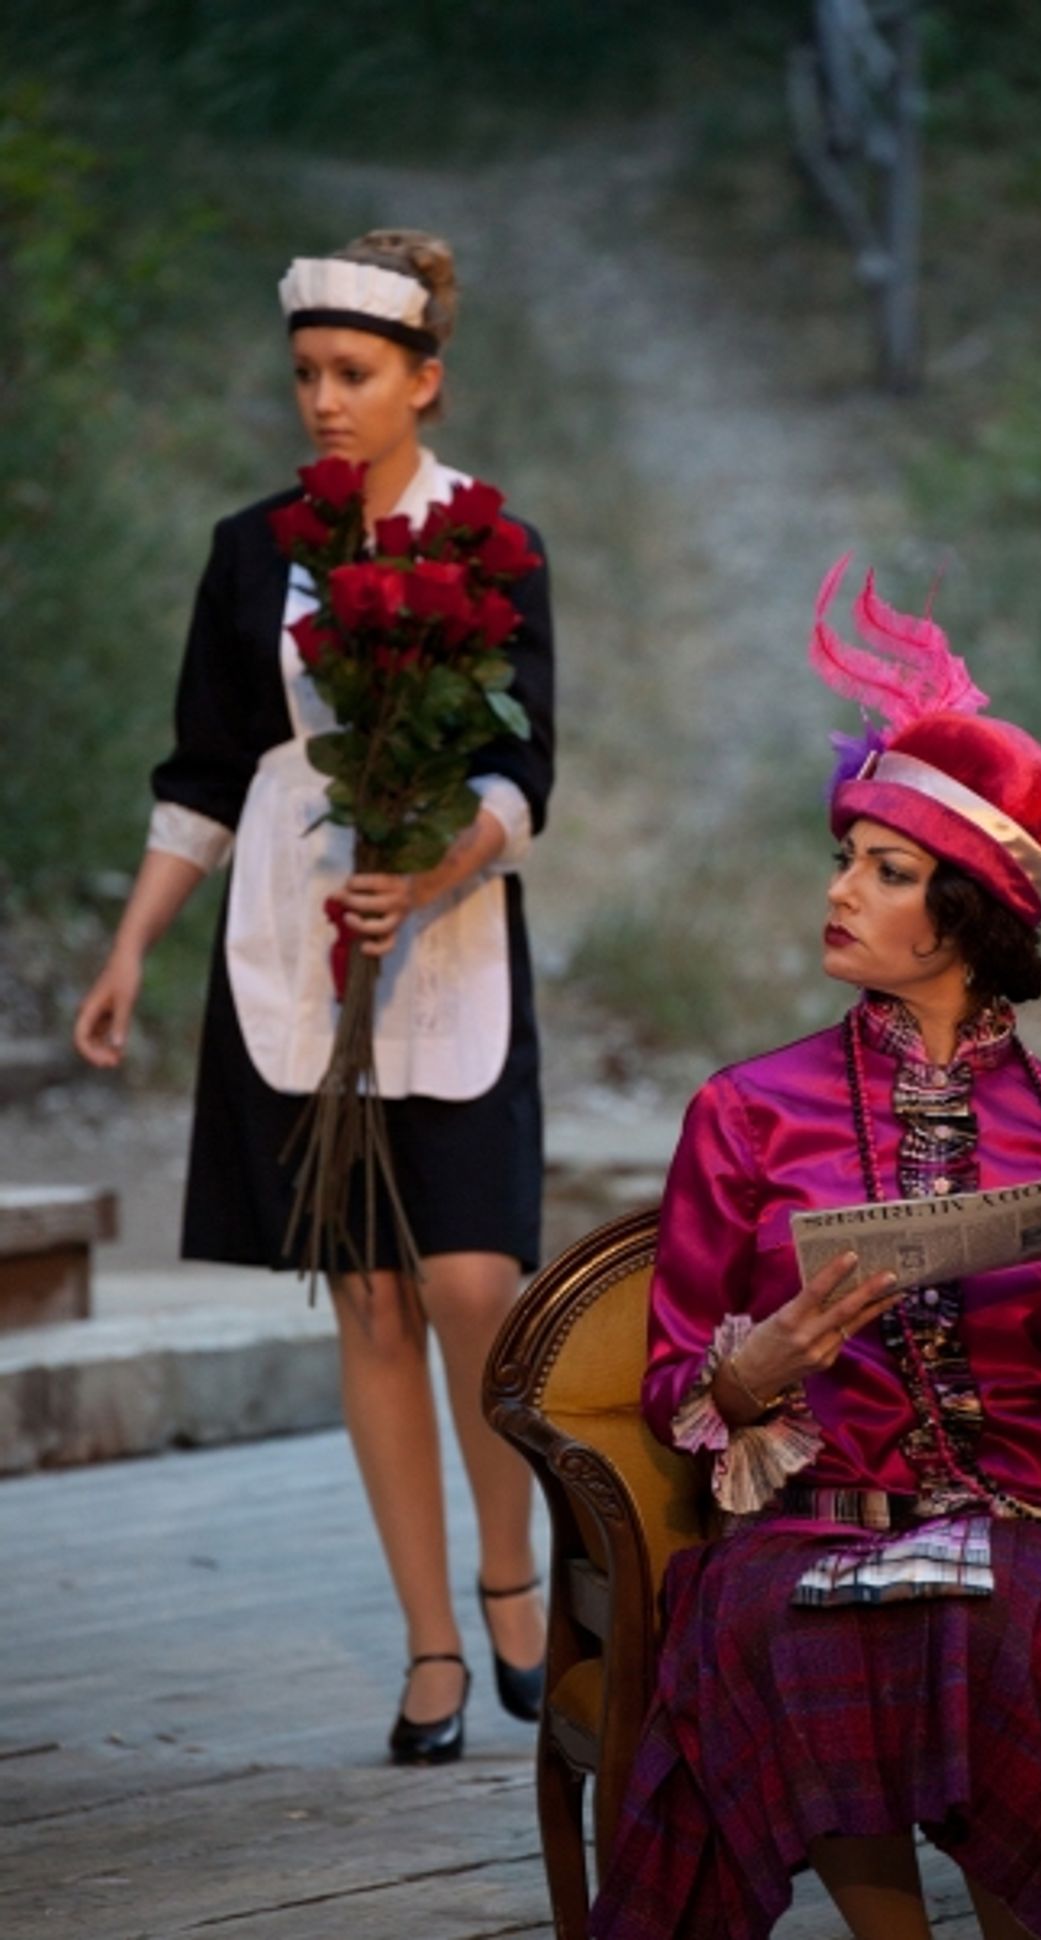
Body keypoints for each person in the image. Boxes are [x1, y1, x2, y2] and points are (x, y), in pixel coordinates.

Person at [588, 567, 1041, 1940]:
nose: (840, 892)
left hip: (1031, 1541)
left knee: (1013, 1621)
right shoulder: (744, 1113)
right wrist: (753, 1370)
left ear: (967, 915)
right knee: (785, 1625)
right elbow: (673, 1383)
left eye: (883, 871)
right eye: (844, 860)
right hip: (810, 1525)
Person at [73, 230, 553, 1763]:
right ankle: (429, 1651)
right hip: (292, 939)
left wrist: (431, 871)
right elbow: (207, 770)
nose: (325, 402)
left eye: (354, 375)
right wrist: (134, 944)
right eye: (305, 376)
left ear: (426, 378)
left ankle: (512, 1577)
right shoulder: (251, 547)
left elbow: (525, 769)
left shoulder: (496, 545)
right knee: (367, 1293)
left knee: (476, 1282)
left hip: (451, 935)